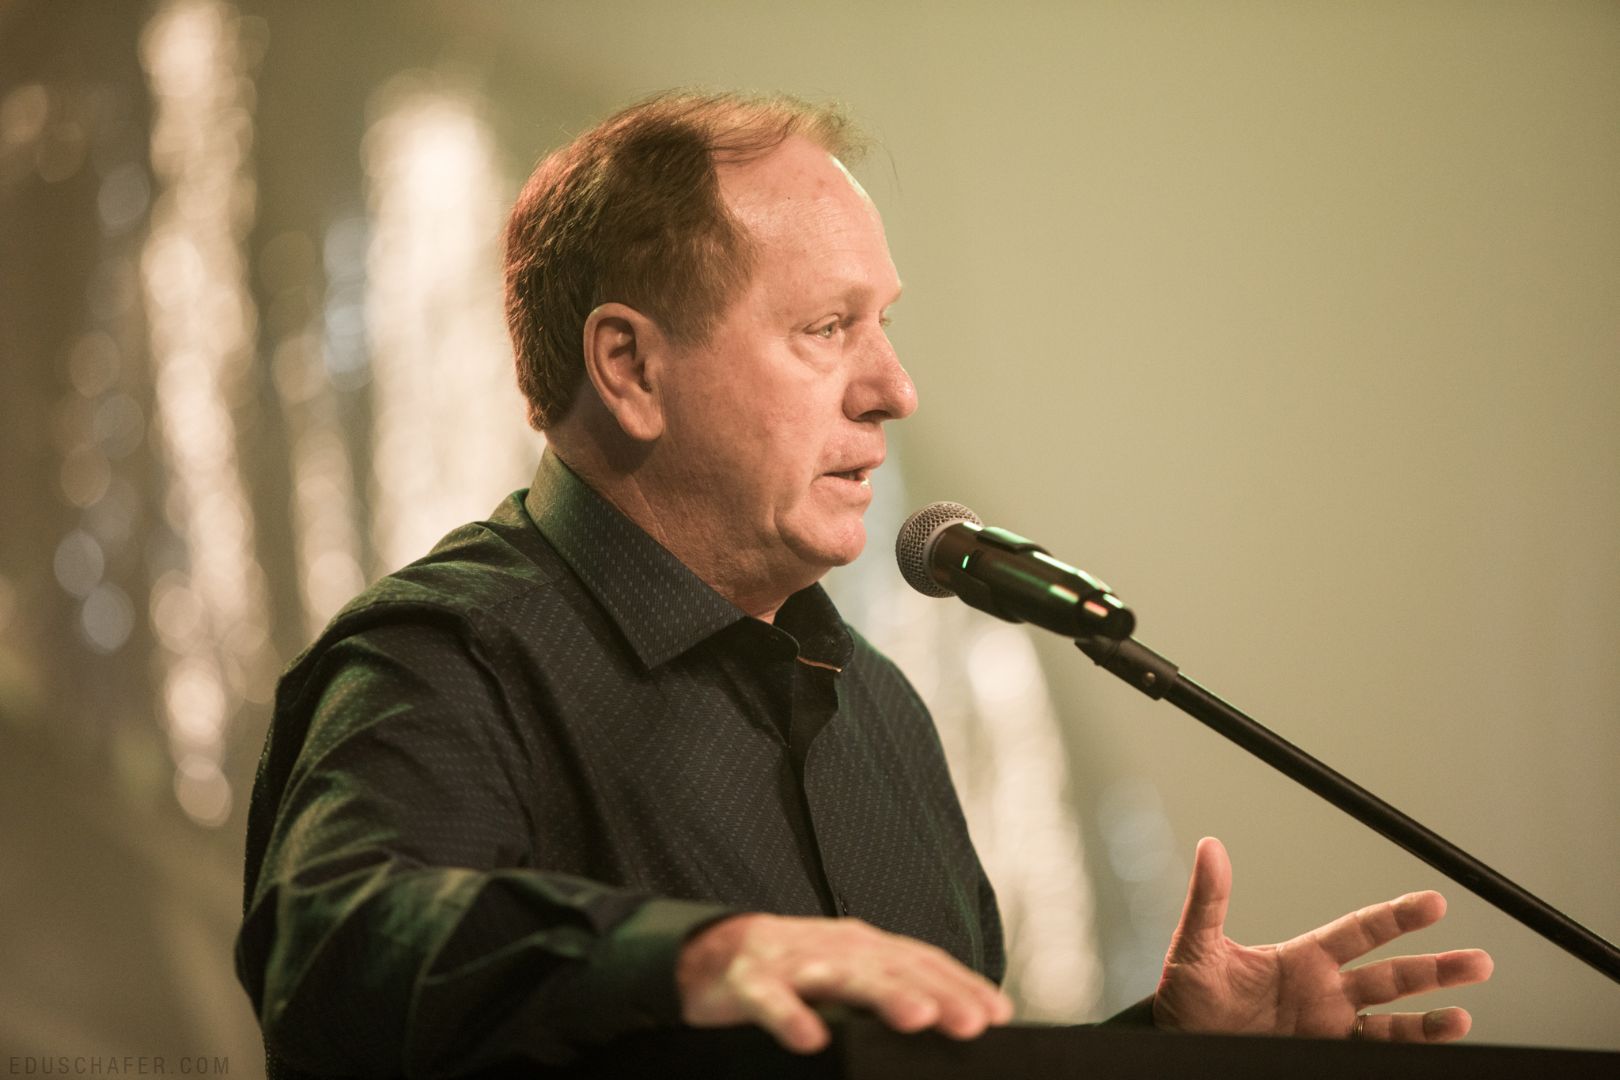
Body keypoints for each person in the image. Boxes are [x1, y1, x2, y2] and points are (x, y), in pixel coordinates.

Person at [236, 91, 1492, 1076]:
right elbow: (332, 949)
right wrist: (697, 957)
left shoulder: (875, 708)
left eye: (884, 324)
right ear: (630, 368)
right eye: (828, 329)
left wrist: (1173, 1053)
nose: (895, 389)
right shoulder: (450, 656)